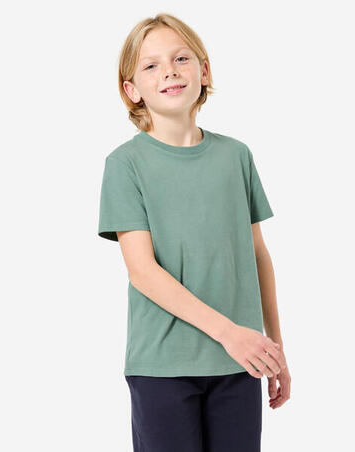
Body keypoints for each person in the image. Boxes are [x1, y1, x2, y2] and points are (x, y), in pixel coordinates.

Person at [98, 13, 291, 452]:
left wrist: (273, 346)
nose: (169, 71)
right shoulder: (125, 165)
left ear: (204, 71)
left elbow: (258, 254)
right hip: (163, 366)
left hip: (240, 361)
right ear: (132, 90)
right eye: (151, 65)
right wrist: (230, 333)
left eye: (181, 58)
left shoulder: (236, 156)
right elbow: (142, 271)